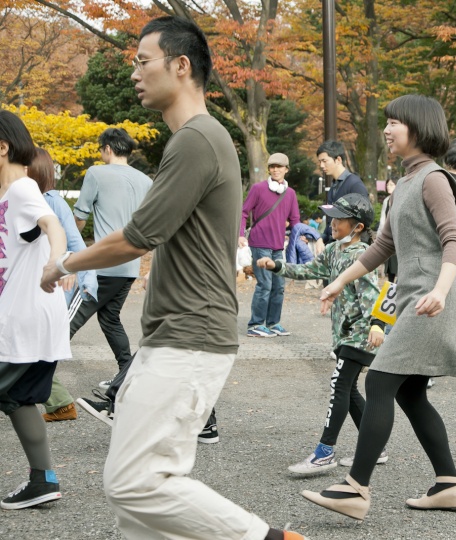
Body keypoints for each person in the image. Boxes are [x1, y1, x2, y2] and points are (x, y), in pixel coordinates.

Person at [40, 16, 306, 540]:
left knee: (133, 484)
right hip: (177, 336)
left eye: (143, 61)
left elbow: (138, 236)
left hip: (190, 336)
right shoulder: (195, 140)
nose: (135, 73)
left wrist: (63, 264)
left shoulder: (197, 140)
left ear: (181, 65)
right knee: (141, 507)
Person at [301, 94, 456, 522]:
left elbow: (455, 239)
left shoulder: (433, 179)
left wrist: (441, 289)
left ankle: (355, 489)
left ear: (418, 127)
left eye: (395, 122)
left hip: (433, 301)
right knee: (410, 393)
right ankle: (449, 484)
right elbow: (383, 247)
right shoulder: (403, 185)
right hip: (414, 299)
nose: (388, 130)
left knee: (377, 382)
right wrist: (338, 282)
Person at [256, 194, 388, 475]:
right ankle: (375, 448)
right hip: (343, 335)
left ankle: (324, 452)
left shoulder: (363, 256)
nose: (333, 222)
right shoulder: (333, 251)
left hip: (360, 333)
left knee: (339, 386)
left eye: (340, 218)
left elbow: (373, 295)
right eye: (333, 217)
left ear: (358, 227)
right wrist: (276, 265)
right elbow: (308, 270)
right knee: (349, 391)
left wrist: (377, 324)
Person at [0, 111, 71, 510]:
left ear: (3, 146)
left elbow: (53, 226)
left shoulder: (23, 188)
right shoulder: (7, 196)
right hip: (29, 317)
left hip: (27, 318)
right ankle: (42, 479)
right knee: (17, 397)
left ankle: (43, 479)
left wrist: (56, 263)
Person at [71, 128, 151, 390]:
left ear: (107, 148)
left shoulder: (96, 173)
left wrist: (70, 244)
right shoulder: (144, 180)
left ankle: (28, 376)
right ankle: (127, 375)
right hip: (130, 266)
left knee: (67, 321)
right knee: (110, 319)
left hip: (103, 264)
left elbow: (80, 217)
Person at [28, 148, 98, 423]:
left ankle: (59, 402)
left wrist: (81, 279)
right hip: (29, 286)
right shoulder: (18, 198)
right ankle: (57, 402)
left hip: (57, 287)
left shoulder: (52, 202)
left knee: (37, 349)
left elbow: (75, 244)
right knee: (31, 347)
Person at [239, 152, 300, 338]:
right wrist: (240, 235)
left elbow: (295, 220)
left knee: (279, 286)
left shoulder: (290, 194)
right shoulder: (258, 189)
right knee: (264, 285)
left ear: (286, 170)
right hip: (260, 243)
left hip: (278, 246)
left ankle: (273, 323)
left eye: (279, 166)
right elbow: (243, 212)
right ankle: (255, 324)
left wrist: (301, 238)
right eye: (272, 166)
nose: (275, 170)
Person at [316, 140, 370, 244]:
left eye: (324, 161)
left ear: (338, 160)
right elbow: (330, 221)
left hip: (351, 247)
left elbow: (364, 219)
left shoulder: (354, 184)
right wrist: (321, 239)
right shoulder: (334, 185)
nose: (321, 165)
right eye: (320, 162)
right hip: (336, 245)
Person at [378, 178, 397, 282]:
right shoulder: (386, 200)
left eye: (391, 184)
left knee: (397, 265)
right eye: (387, 185)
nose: (388, 186)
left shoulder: (400, 198)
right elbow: (382, 219)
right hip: (388, 235)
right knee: (390, 267)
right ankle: (391, 288)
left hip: (397, 236)